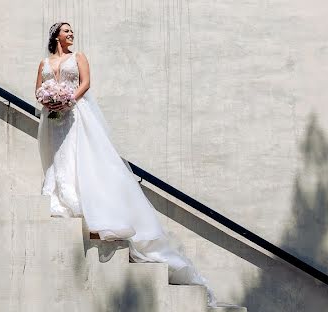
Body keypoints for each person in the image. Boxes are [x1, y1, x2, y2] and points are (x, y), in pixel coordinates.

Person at [36, 21, 219, 302]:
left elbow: (85, 83)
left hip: (75, 114)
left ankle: (91, 208)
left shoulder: (79, 57)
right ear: (56, 36)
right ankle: (62, 199)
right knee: (59, 158)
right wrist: (49, 100)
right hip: (54, 119)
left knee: (82, 158)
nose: (71, 34)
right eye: (67, 31)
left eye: (73, 31)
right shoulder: (45, 62)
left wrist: (68, 99)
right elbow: (38, 89)